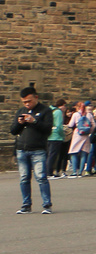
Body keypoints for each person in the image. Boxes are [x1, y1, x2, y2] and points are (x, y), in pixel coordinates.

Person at [12, 85, 53, 214]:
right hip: (22, 149)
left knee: (41, 177)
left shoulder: (46, 111)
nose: (27, 104)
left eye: (29, 101)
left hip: (38, 149)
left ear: (36, 97)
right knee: (24, 178)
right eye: (24, 102)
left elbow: (47, 129)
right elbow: (13, 131)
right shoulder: (20, 111)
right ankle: (26, 205)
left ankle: (46, 205)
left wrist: (34, 121)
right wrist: (20, 123)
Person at [67, 100, 93, 175]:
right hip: (86, 135)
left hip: (77, 134)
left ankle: (75, 171)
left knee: (73, 152)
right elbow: (94, 125)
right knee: (84, 153)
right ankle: (81, 171)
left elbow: (71, 125)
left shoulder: (76, 114)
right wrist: (89, 131)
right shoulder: (89, 115)